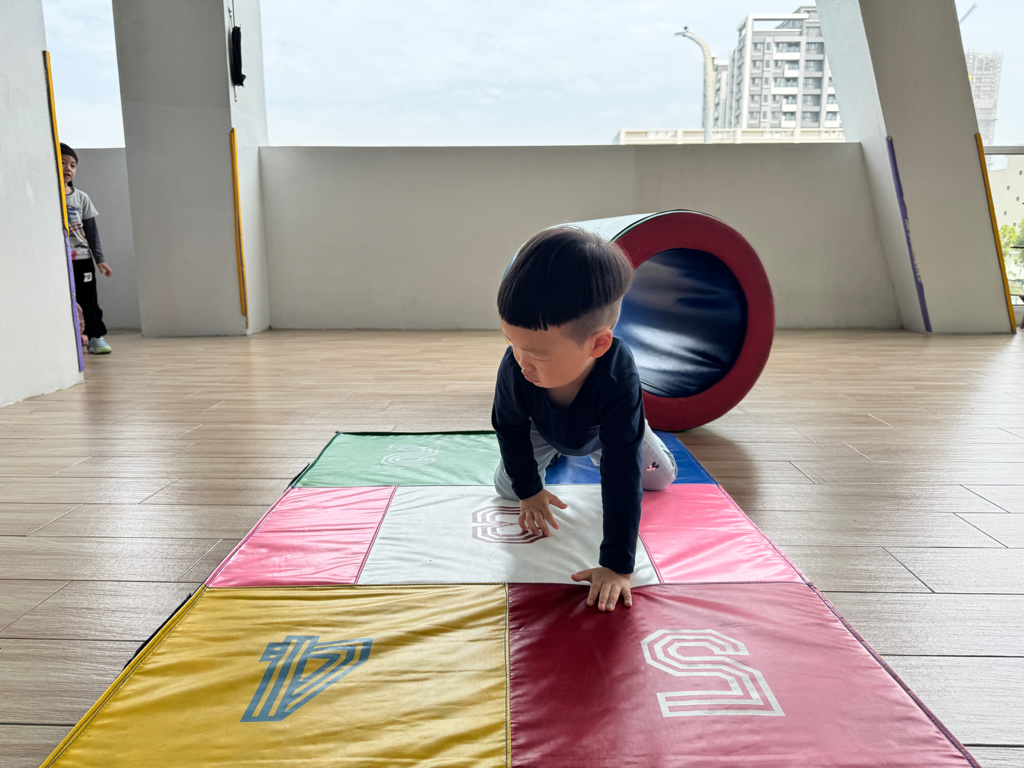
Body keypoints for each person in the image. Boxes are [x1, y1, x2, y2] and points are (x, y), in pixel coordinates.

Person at [492, 226, 677, 614]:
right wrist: (529, 491)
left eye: (537, 355)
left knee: (659, 479)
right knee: (509, 488)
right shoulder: (517, 367)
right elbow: (508, 426)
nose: (521, 362)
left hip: (606, 432)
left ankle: (637, 429)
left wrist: (617, 565)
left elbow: (621, 471)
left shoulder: (618, 376)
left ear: (597, 344)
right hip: (541, 427)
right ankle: (556, 453)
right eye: (512, 343)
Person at [61, 143, 113, 354]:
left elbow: (92, 232)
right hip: (57, 259)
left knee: (88, 300)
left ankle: (95, 337)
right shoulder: (46, 197)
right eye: (62, 163)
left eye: (73, 165)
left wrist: (100, 259)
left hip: (81, 258)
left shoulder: (81, 197)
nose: (68, 168)